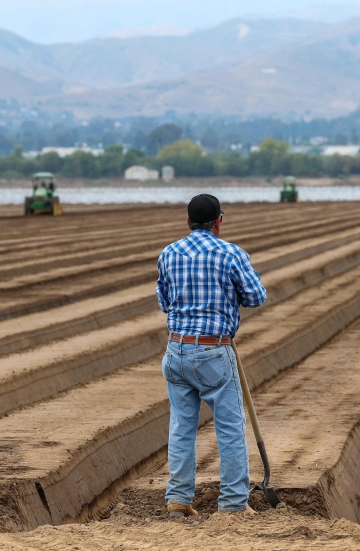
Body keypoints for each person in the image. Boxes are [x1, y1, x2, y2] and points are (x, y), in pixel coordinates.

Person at [156, 194, 267, 517]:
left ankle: (178, 500)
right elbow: (256, 296)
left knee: (181, 427)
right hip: (213, 350)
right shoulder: (231, 254)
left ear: (188, 222)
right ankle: (233, 504)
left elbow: (165, 301)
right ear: (219, 221)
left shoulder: (169, 253)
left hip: (175, 350)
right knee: (230, 427)